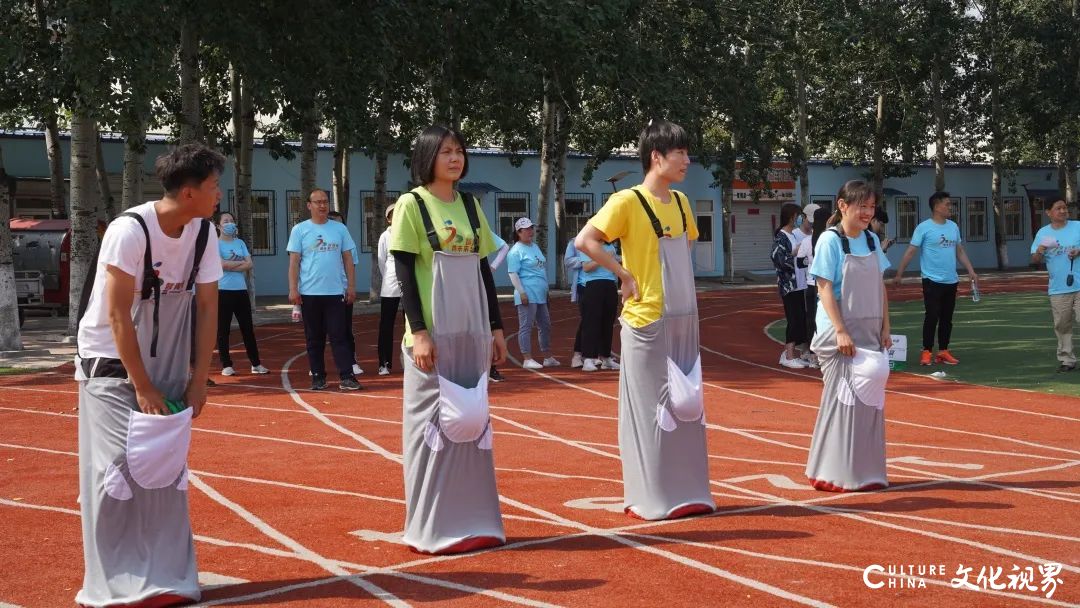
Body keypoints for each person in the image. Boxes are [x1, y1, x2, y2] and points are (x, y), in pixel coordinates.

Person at [73, 144, 225, 607]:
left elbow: (206, 306)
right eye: (214, 186)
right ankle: (112, 583)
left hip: (169, 363)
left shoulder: (203, 234)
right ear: (188, 192)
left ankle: (167, 576)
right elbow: (118, 315)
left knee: (162, 468)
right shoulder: (130, 231)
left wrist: (199, 378)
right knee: (118, 468)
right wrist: (142, 386)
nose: (220, 194)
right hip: (110, 362)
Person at [576, 119, 714, 520]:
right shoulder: (628, 202)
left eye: (688, 153)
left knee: (686, 407)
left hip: (684, 317)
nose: (688, 160)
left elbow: (685, 246)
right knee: (650, 411)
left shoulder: (684, 203)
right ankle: (649, 495)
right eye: (680, 153)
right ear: (657, 157)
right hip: (646, 318)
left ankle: (688, 489)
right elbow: (586, 240)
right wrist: (623, 273)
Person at [390, 125, 508, 554]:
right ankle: (430, 526)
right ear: (428, 157)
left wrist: (495, 328)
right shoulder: (411, 205)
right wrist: (418, 332)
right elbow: (404, 274)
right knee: (432, 430)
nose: (455, 159)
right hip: (433, 334)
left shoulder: (471, 206)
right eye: (446, 152)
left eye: (459, 151)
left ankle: (477, 520)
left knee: (472, 423)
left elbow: (482, 271)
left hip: (472, 330)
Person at [805, 180, 892, 492]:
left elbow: (880, 285)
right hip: (838, 331)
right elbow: (824, 288)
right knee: (842, 402)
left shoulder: (871, 239)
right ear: (843, 205)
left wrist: (885, 326)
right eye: (862, 206)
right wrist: (840, 331)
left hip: (869, 329)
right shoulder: (830, 241)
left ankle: (865, 471)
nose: (868, 212)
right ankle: (831, 473)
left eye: (871, 207)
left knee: (870, 405)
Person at [892, 191, 978, 366]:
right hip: (931, 281)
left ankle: (944, 351)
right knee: (932, 315)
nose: (950, 207)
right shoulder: (924, 228)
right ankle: (927, 351)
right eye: (947, 204)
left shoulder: (953, 227)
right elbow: (911, 251)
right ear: (937, 206)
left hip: (951, 280)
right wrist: (899, 273)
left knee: (947, 317)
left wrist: (971, 271)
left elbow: (959, 251)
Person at [287, 190, 362, 391]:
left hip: (335, 292)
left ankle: (347, 376)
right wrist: (293, 289)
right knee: (314, 337)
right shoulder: (300, 230)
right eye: (318, 202)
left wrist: (351, 287)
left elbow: (348, 258)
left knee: (339, 335)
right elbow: (294, 262)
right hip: (309, 293)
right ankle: (318, 377)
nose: (322, 206)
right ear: (309, 205)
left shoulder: (339, 229)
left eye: (325, 202)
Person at [1030, 197, 1080, 372]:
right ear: (1048, 213)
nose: (1063, 211)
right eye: (1058, 208)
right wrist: (1040, 251)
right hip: (1058, 287)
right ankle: (1067, 360)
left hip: (1079, 284)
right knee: (1062, 324)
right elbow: (1034, 259)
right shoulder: (1043, 233)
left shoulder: (1077, 226)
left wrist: (1078, 250)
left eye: (1065, 208)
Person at [215, 211, 267, 377]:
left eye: (231, 220)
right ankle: (226, 365)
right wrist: (239, 264)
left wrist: (232, 265)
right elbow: (221, 264)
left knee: (248, 329)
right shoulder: (215, 244)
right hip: (223, 291)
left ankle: (256, 363)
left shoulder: (240, 243)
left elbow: (249, 264)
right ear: (218, 226)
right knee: (223, 329)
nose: (229, 223)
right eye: (225, 221)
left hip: (241, 291)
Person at [508, 217, 559, 369]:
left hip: (540, 293)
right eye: (527, 229)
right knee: (526, 326)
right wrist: (522, 293)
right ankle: (527, 358)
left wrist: (546, 290)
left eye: (531, 228)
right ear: (518, 232)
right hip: (527, 293)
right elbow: (513, 274)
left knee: (546, 325)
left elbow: (541, 269)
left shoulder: (534, 247)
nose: (531, 231)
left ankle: (547, 356)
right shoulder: (515, 251)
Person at [772, 203, 809, 368]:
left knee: (800, 319)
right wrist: (794, 254)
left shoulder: (793, 235)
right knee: (793, 319)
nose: (799, 218)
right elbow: (777, 258)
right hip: (789, 285)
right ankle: (788, 355)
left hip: (800, 283)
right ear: (792, 216)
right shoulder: (781, 236)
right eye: (797, 215)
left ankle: (792, 352)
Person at [329, 210, 364, 377]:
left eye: (339, 222)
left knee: (345, 328)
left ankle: (352, 362)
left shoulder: (349, 245)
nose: (337, 225)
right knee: (321, 330)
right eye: (332, 221)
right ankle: (317, 366)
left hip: (343, 291)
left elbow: (352, 267)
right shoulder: (323, 244)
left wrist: (351, 287)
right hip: (324, 292)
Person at [578, 239, 620, 372]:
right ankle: (588, 358)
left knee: (608, 322)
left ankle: (606, 358)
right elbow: (586, 267)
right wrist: (603, 259)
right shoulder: (587, 244)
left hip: (610, 284)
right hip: (594, 284)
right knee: (591, 322)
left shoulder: (610, 246)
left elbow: (614, 261)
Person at [797, 206, 830, 368]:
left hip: (811, 285)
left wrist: (810, 263)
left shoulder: (806, 241)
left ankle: (812, 354)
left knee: (811, 319)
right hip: (827, 286)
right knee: (827, 320)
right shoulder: (831, 238)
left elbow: (799, 261)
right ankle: (826, 353)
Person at [376, 203, 401, 376]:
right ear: (388, 218)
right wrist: (389, 277)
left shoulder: (410, 232)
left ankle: (411, 360)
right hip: (390, 283)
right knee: (386, 324)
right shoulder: (385, 236)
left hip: (409, 282)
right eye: (393, 215)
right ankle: (384, 362)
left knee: (413, 325)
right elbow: (381, 260)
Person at [486, 229, 511, 382]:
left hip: (478, 282)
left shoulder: (476, 224)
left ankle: (490, 368)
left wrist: (492, 268)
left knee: (486, 327)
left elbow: (504, 247)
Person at [565, 239, 586, 368]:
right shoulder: (575, 242)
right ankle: (577, 355)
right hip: (584, 285)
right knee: (586, 321)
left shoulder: (607, 241)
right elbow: (567, 261)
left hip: (604, 283)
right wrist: (585, 261)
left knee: (602, 321)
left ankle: (597, 354)